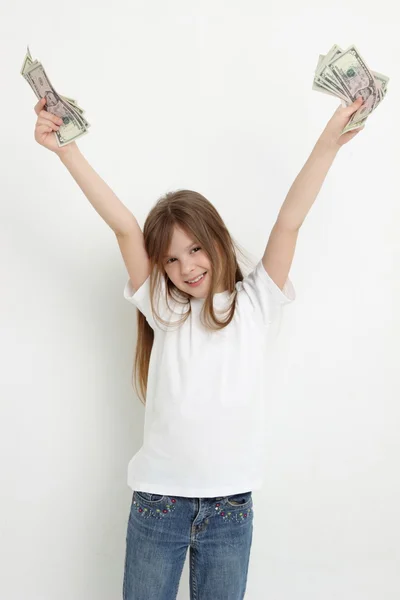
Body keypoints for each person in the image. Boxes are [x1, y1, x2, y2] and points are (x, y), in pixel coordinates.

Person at [32, 95, 365, 599]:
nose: (186, 267)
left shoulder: (256, 303)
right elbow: (124, 225)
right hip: (158, 506)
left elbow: (289, 222)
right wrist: (67, 152)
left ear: (217, 238)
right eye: (170, 260)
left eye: (194, 248)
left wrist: (327, 144)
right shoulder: (165, 311)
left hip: (230, 510)